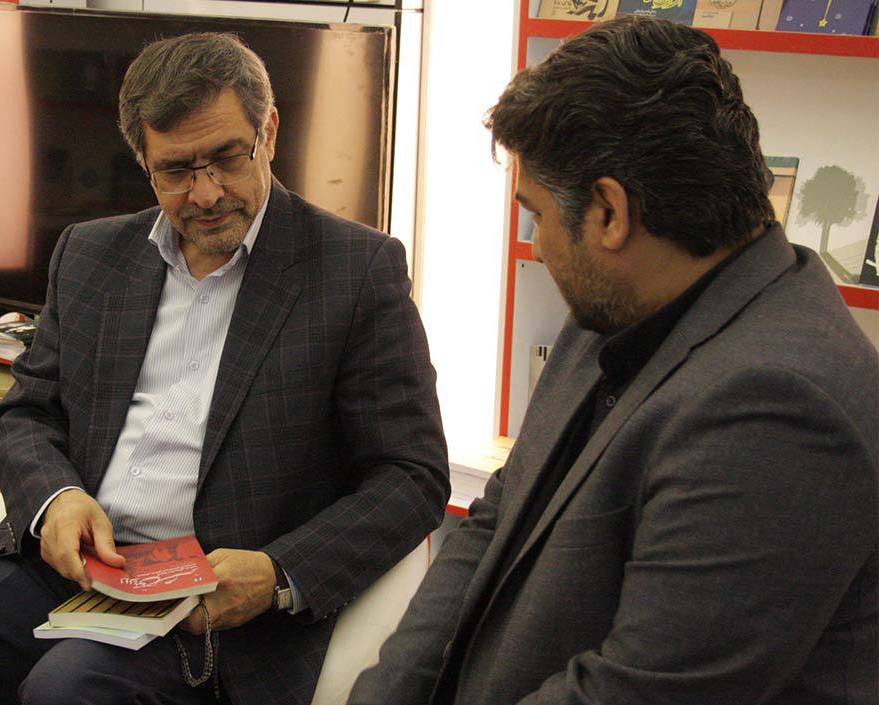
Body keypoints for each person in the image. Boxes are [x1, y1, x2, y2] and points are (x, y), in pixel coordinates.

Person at [0, 32, 449, 705]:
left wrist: (277, 571)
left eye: (226, 158)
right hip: (74, 566)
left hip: (219, 602)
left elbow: (412, 474)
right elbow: (27, 413)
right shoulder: (91, 254)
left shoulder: (355, 270)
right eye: (176, 170)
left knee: (66, 693)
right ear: (144, 162)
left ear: (268, 131)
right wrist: (57, 500)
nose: (205, 193)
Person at [349, 16, 877, 705]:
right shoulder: (617, 309)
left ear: (608, 212)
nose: (537, 245)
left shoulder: (780, 408)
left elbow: (638, 690)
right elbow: (499, 515)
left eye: (537, 215)